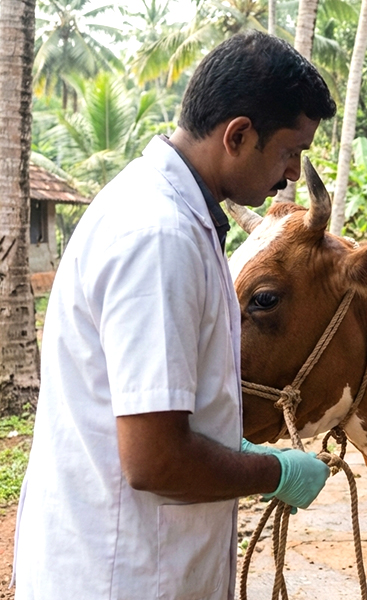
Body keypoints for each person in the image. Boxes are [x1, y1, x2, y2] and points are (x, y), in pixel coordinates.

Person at [13, 31, 337, 599]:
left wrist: (231, 444)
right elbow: (156, 461)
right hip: (124, 576)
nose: (293, 172)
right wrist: (275, 472)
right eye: (290, 151)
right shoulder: (159, 235)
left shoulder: (170, 212)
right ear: (238, 135)